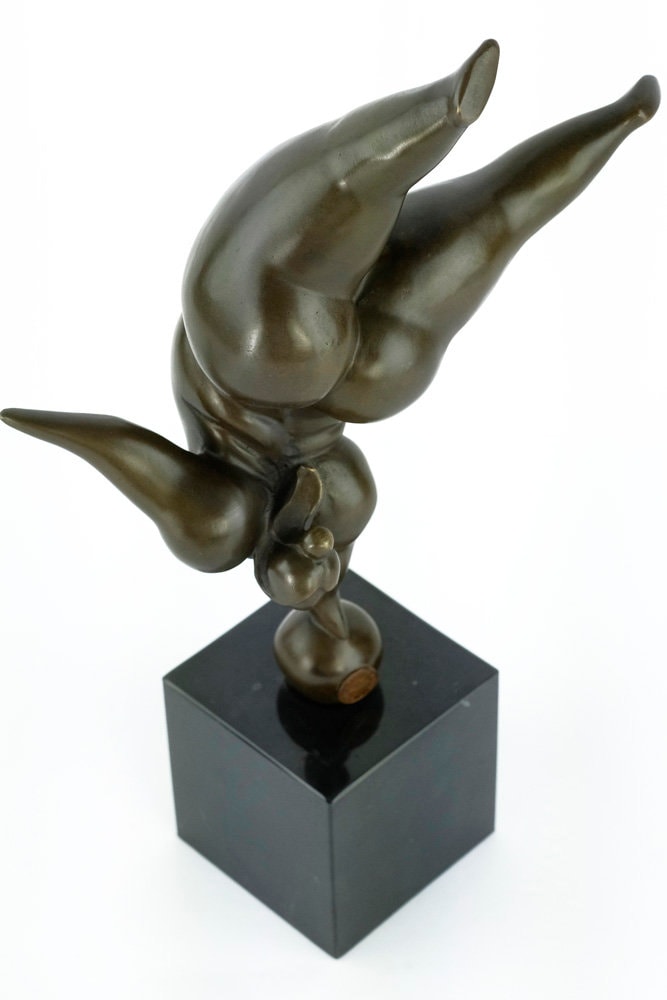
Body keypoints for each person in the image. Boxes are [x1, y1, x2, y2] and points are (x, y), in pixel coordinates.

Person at [1, 41, 659, 701]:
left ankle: (611, 116)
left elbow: (120, 450)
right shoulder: (271, 521)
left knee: (495, 217)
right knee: (379, 203)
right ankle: (447, 109)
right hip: (262, 366)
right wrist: (47, 426)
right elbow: (124, 449)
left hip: (353, 380)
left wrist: (49, 426)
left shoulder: (282, 520)